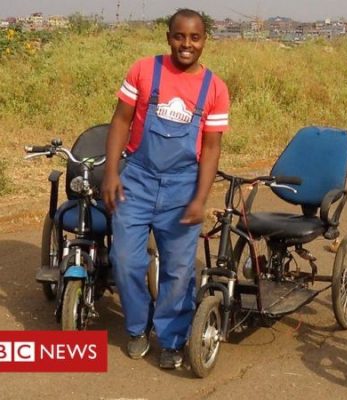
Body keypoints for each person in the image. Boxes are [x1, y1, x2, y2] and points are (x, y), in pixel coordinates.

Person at [102, 8, 229, 369]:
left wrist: (200, 199)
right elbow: (120, 122)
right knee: (125, 260)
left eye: (195, 37)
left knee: (178, 269)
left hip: (183, 187)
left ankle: (172, 339)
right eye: (179, 36)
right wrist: (112, 173)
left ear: (204, 40)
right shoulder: (144, 70)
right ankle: (138, 328)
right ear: (168, 36)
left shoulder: (214, 88)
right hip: (137, 179)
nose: (186, 44)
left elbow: (212, 148)